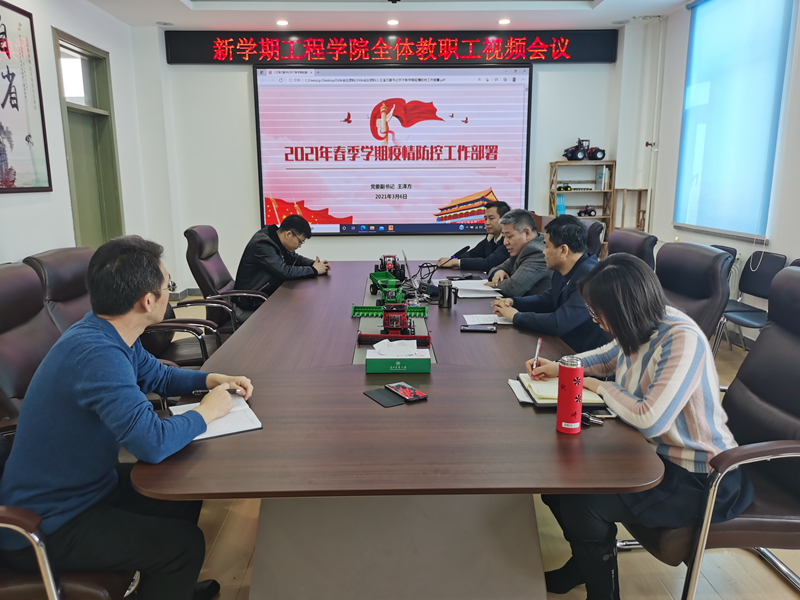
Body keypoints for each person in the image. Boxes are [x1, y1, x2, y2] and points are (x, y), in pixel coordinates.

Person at [0, 236, 255, 600]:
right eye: (169, 285)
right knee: (183, 547)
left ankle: (170, 588)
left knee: (184, 488)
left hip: (86, 488)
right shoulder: (98, 354)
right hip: (48, 523)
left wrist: (210, 379)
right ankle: (171, 577)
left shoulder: (107, 331)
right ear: (148, 301)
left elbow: (159, 376)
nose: (170, 292)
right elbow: (151, 443)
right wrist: (207, 411)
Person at [526, 254, 753, 600]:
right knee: (557, 483)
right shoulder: (641, 323)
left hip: (699, 477)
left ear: (625, 309)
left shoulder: (681, 339)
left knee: (582, 502)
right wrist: (563, 366)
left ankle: (603, 591)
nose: (599, 323)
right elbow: (607, 358)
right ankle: (585, 563)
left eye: (600, 315)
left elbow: (650, 419)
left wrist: (595, 385)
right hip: (651, 456)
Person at [491, 215, 608, 353]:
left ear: (563, 250)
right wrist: (513, 302)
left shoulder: (590, 278)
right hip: (563, 343)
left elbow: (559, 323)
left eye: (546, 246)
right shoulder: (564, 268)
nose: (543, 251)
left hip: (585, 354)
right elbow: (548, 299)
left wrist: (516, 316)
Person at [234, 215, 331, 310]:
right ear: (288, 234)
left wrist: (314, 264)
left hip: (267, 296)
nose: (300, 246)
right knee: (300, 310)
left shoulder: (275, 239)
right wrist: (314, 270)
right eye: (300, 241)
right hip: (251, 302)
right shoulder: (262, 244)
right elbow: (284, 272)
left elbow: (295, 258)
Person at [485, 209, 552, 297]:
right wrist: (498, 272)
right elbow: (494, 269)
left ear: (527, 233)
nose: (505, 242)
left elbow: (512, 289)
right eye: (504, 236)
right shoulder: (521, 248)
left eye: (509, 236)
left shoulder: (538, 252)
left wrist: (494, 282)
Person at [436, 201, 511, 272]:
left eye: (491, 218)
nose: (487, 223)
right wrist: (452, 260)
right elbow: (472, 254)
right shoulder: (490, 238)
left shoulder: (509, 240)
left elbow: (489, 263)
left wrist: (457, 262)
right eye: (485, 219)